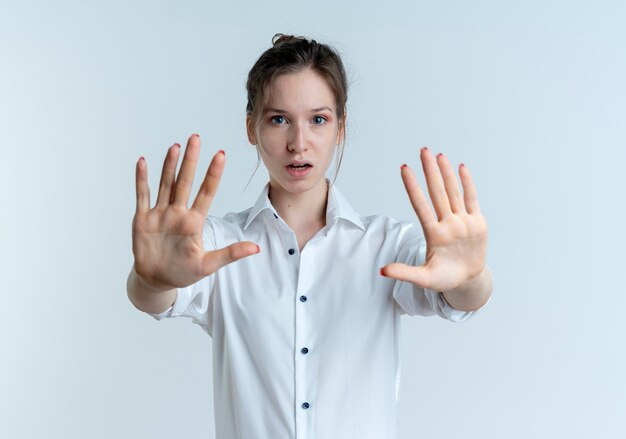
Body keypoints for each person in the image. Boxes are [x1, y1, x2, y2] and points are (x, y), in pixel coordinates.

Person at [126, 34, 493, 439]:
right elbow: (155, 298)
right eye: (278, 119)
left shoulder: (385, 244)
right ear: (252, 128)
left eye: (318, 119)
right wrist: (151, 280)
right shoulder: (219, 244)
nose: (298, 143)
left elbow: (460, 298)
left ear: (340, 128)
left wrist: (470, 277)